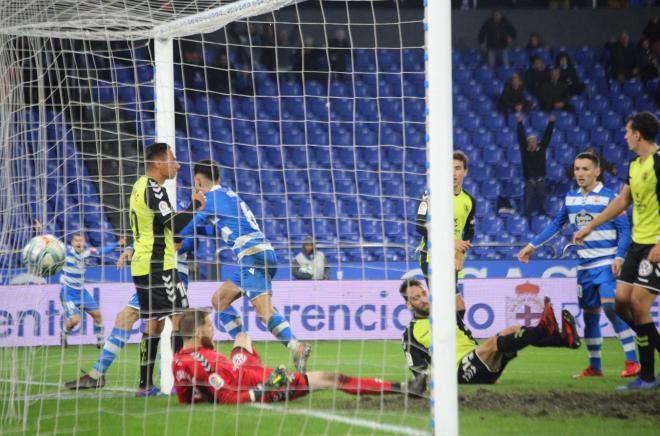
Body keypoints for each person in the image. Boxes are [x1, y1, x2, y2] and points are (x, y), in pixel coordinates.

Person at [180, 160, 312, 372]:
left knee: (263, 311)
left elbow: (186, 226)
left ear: (197, 181)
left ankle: (296, 347)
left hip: (252, 256)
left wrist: (171, 220)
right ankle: (243, 344)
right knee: (219, 300)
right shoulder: (227, 195)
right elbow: (214, 230)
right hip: (262, 252)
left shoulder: (208, 199)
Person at [518, 152, 640, 379]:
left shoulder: (611, 197)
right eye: (577, 169)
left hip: (606, 262)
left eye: (585, 169)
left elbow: (624, 230)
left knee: (611, 307)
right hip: (584, 266)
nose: (580, 174)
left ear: (597, 171)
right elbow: (556, 225)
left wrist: (620, 256)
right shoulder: (571, 199)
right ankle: (595, 366)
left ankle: (632, 361)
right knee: (589, 316)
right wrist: (531, 246)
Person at [172, 308, 425, 404]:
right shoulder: (201, 361)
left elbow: (186, 399)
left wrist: (202, 393)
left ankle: (293, 350)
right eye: (209, 326)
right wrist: (264, 389)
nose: (214, 331)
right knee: (330, 377)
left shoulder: (180, 360)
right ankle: (404, 387)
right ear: (197, 331)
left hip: (241, 369)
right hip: (256, 381)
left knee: (241, 338)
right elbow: (226, 398)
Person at [574, 112, 660, 391]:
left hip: (655, 245)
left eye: (627, 131)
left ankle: (646, 376)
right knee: (621, 303)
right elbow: (623, 200)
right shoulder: (635, 164)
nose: (624, 136)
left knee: (639, 304)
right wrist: (590, 226)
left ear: (638, 134)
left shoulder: (659, 162)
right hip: (637, 243)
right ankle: (650, 351)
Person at [128, 142, 205, 395]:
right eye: (173, 159)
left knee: (153, 324)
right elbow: (173, 223)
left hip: (141, 265)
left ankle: (144, 385)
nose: (178, 164)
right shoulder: (154, 189)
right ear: (159, 163)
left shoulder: (138, 186)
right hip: (159, 265)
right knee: (180, 320)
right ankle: (182, 383)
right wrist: (195, 206)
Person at [64, 241, 192, 392]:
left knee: (168, 322)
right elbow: (146, 231)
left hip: (169, 269)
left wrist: (137, 248)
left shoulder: (180, 219)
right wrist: (132, 247)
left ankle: (178, 381)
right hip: (152, 268)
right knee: (150, 323)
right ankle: (146, 385)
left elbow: (182, 241)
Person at [399, 279, 580, 384]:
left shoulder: (447, 313)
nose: (423, 299)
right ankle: (544, 329)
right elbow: (418, 370)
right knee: (493, 343)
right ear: (408, 304)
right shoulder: (410, 333)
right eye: (416, 298)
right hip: (457, 374)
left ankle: (564, 339)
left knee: (514, 329)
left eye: (423, 293)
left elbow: (460, 307)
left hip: (478, 362)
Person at [416, 151, 475, 320]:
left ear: (465, 171)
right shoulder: (431, 194)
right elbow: (420, 226)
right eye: (449, 169)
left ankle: (448, 344)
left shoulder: (469, 201)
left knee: (455, 307)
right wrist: (451, 243)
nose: (453, 173)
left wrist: (459, 257)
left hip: (452, 259)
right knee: (448, 306)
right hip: (430, 257)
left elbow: (469, 232)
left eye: (458, 168)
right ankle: (428, 341)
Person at [59, 233, 124, 348]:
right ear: (72, 243)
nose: (78, 243)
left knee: (97, 315)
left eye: (81, 241)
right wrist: (39, 232)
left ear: (84, 243)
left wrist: (117, 244)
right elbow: (50, 246)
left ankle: (100, 341)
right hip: (67, 291)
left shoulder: (87, 253)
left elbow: (103, 250)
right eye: (76, 241)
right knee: (75, 320)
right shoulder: (65, 251)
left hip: (81, 292)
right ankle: (64, 333)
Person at [517, 112, 556, 224]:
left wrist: (551, 123)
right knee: (527, 204)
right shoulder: (525, 151)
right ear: (528, 143)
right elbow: (521, 137)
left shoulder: (542, 149)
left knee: (542, 204)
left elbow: (547, 136)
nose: (532, 143)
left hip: (540, 180)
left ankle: (543, 223)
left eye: (534, 141)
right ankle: (526, 223)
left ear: (537, 142)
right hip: (529, 181)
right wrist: (520, 123)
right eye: (530, 141)